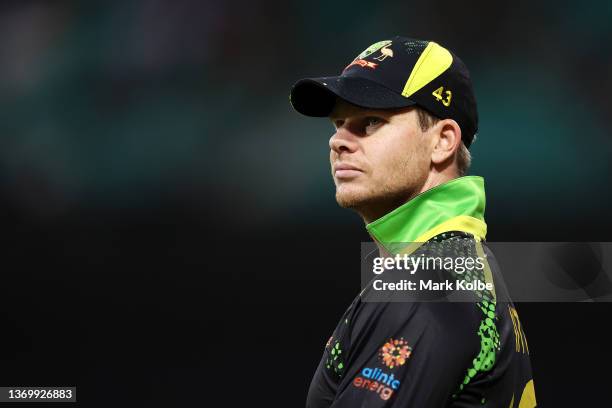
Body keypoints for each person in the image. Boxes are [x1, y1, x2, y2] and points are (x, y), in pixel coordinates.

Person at [290, 36, 536, 407]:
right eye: (338, 123)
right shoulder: (456, 266)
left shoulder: (426, 285)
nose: (338, 140)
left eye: (370, 121)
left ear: (443, 142)